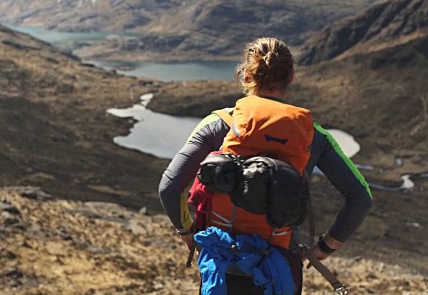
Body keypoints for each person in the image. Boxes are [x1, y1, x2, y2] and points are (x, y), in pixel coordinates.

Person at [158, 37, 373, 294]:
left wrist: (187, 231)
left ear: (246, 76)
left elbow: (169, 187)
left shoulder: (218, 123)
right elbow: (361, 197)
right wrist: (325, 247)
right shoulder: (313, 135)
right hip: (280, 265)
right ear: (290, 77)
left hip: (223, 267)